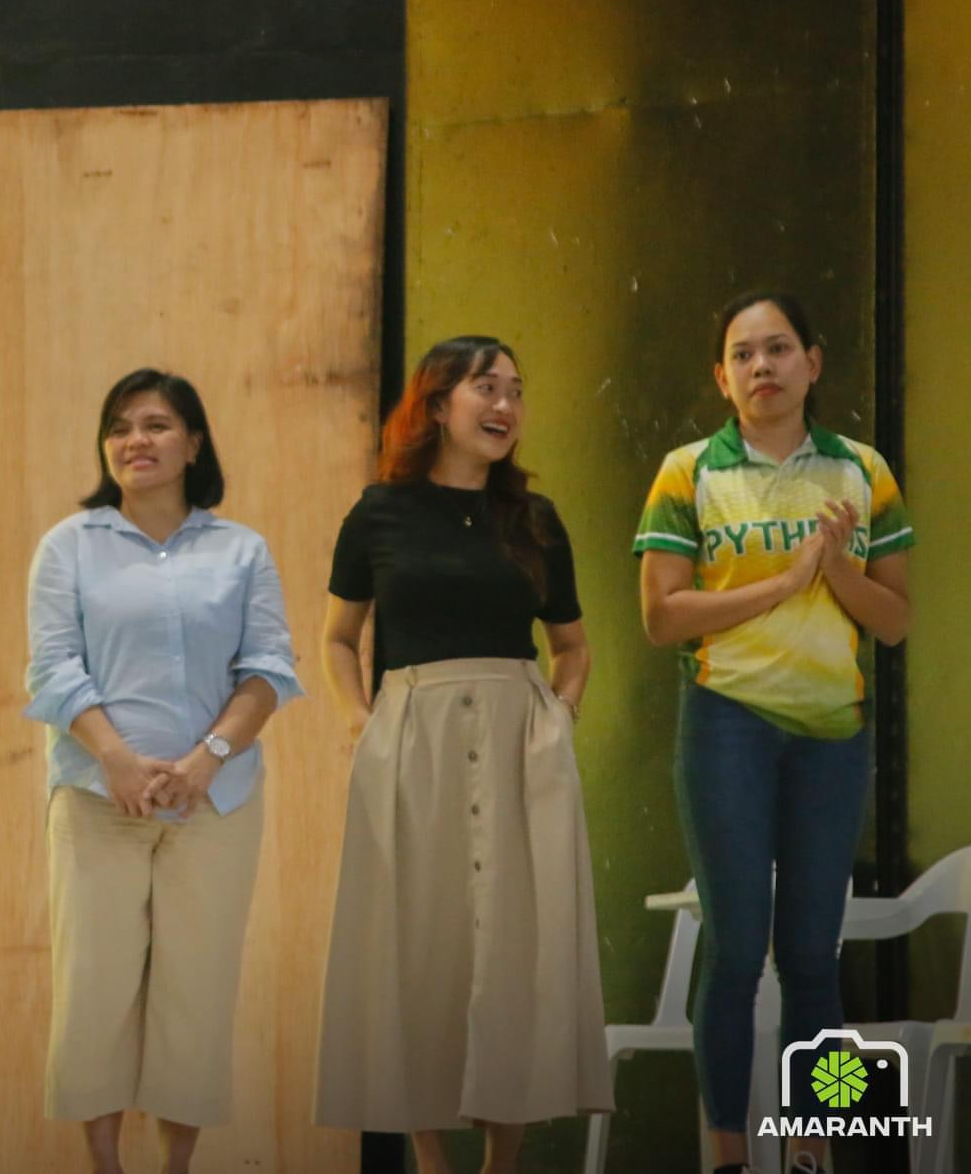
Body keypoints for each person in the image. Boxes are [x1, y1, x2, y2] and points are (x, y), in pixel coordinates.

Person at [312, 336, 609, 1174]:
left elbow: (573, 646)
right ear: (438, 404)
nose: (506, 404)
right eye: (487, 387)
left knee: (515, 945)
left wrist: (560, 717)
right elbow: (337, 637)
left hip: (521, 741)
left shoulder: (535, 519)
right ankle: (433, 1161)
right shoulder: (378, 513)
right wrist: (360, 723)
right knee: (417, 945)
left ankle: (501, 1164)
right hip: (413, 737)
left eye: (516, 389)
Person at [634, 290, 912, 1174]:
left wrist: (836, 567)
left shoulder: (864, 469)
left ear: (813, 363)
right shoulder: (687, 471)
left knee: (813, 956)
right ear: (722, 377)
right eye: (743, 354)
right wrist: (787, 584)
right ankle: (728, 1155)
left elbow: (896, 621)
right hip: (728, 722)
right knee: (736, 946)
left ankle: (811, 1151)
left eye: (780, 348)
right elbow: (662, 616)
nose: (763, 366)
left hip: (833, 731)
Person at [24, 369, 299, 1174]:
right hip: (96, 796)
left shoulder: (241, 549)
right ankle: (105, 1164)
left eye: (155, 424)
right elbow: (52, 668)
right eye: (119, 427)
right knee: (95, 988)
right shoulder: (69, 544)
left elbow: (268, 669)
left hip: (215, 801)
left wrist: (207, 759)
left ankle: (176, 1165)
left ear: (193, 443)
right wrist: (115, 758)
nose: (135, 440)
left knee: (196, 994)